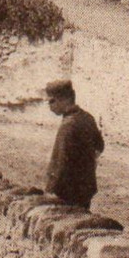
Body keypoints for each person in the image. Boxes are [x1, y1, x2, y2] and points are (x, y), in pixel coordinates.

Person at [44, 79, 104, 210]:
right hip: (86, 189)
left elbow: (60, 163)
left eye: (51, 101)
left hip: (67, 193)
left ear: (63, 100)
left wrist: (50, 191)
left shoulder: (68, 125)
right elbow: (100, 146)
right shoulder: (88, 118)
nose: (50, 106)